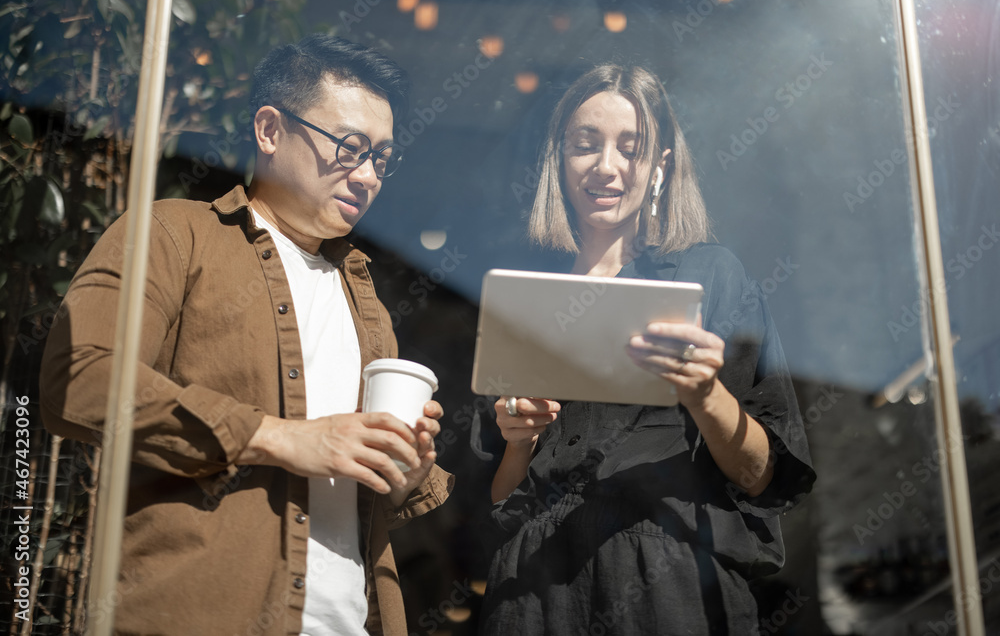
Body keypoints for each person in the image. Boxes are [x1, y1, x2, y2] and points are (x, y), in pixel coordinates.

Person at [40, 35, 453, 636]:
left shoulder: (368, 304)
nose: (366, 175)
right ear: (270, 130)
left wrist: (407, 476)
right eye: (349, 147)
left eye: (382, 157)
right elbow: (76, 376)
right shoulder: (174, 235)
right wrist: (279, 438)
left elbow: (359, 488)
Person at [480, 64, 815, 635]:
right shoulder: (527, 294)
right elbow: (502, 505)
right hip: (534, 597)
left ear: (660, 164)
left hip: (668, 586)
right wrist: (518, 444)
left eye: (630, 149)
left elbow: (763, 477)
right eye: (585, 145)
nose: (606, 167)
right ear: (560, 159)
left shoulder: (711, 276)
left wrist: (706, 395)